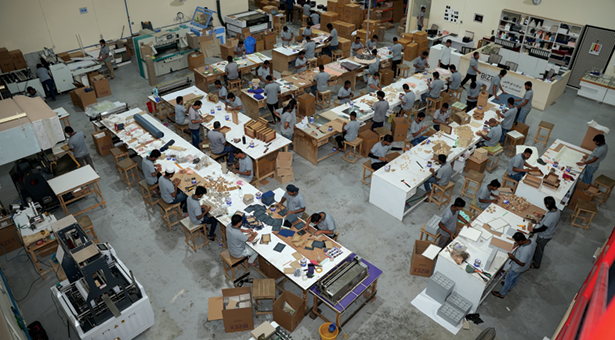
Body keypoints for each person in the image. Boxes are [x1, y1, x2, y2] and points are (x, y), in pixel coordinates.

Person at [492, 232, 534, 299]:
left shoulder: (525, 250)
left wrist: (513, 257)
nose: (516, 242)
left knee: (508, 279)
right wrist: (518, 245)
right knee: (515, 277)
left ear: (520, 241)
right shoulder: (532, 241)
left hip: (517, 267)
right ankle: (509, 288)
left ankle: (501, 294)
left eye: (517, 241)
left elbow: (522, 263)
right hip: (524, 268)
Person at [529, 196, 560, 269]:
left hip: (544, 236)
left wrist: (533, 230)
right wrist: (543, 216)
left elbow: (543, 228)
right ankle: (533, 258)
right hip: (549, 232)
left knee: (539, 250)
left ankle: (536, 265)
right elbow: (550, 220)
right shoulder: (556, 210)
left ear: (547, 205)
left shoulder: (551, 216)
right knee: (537, 248)